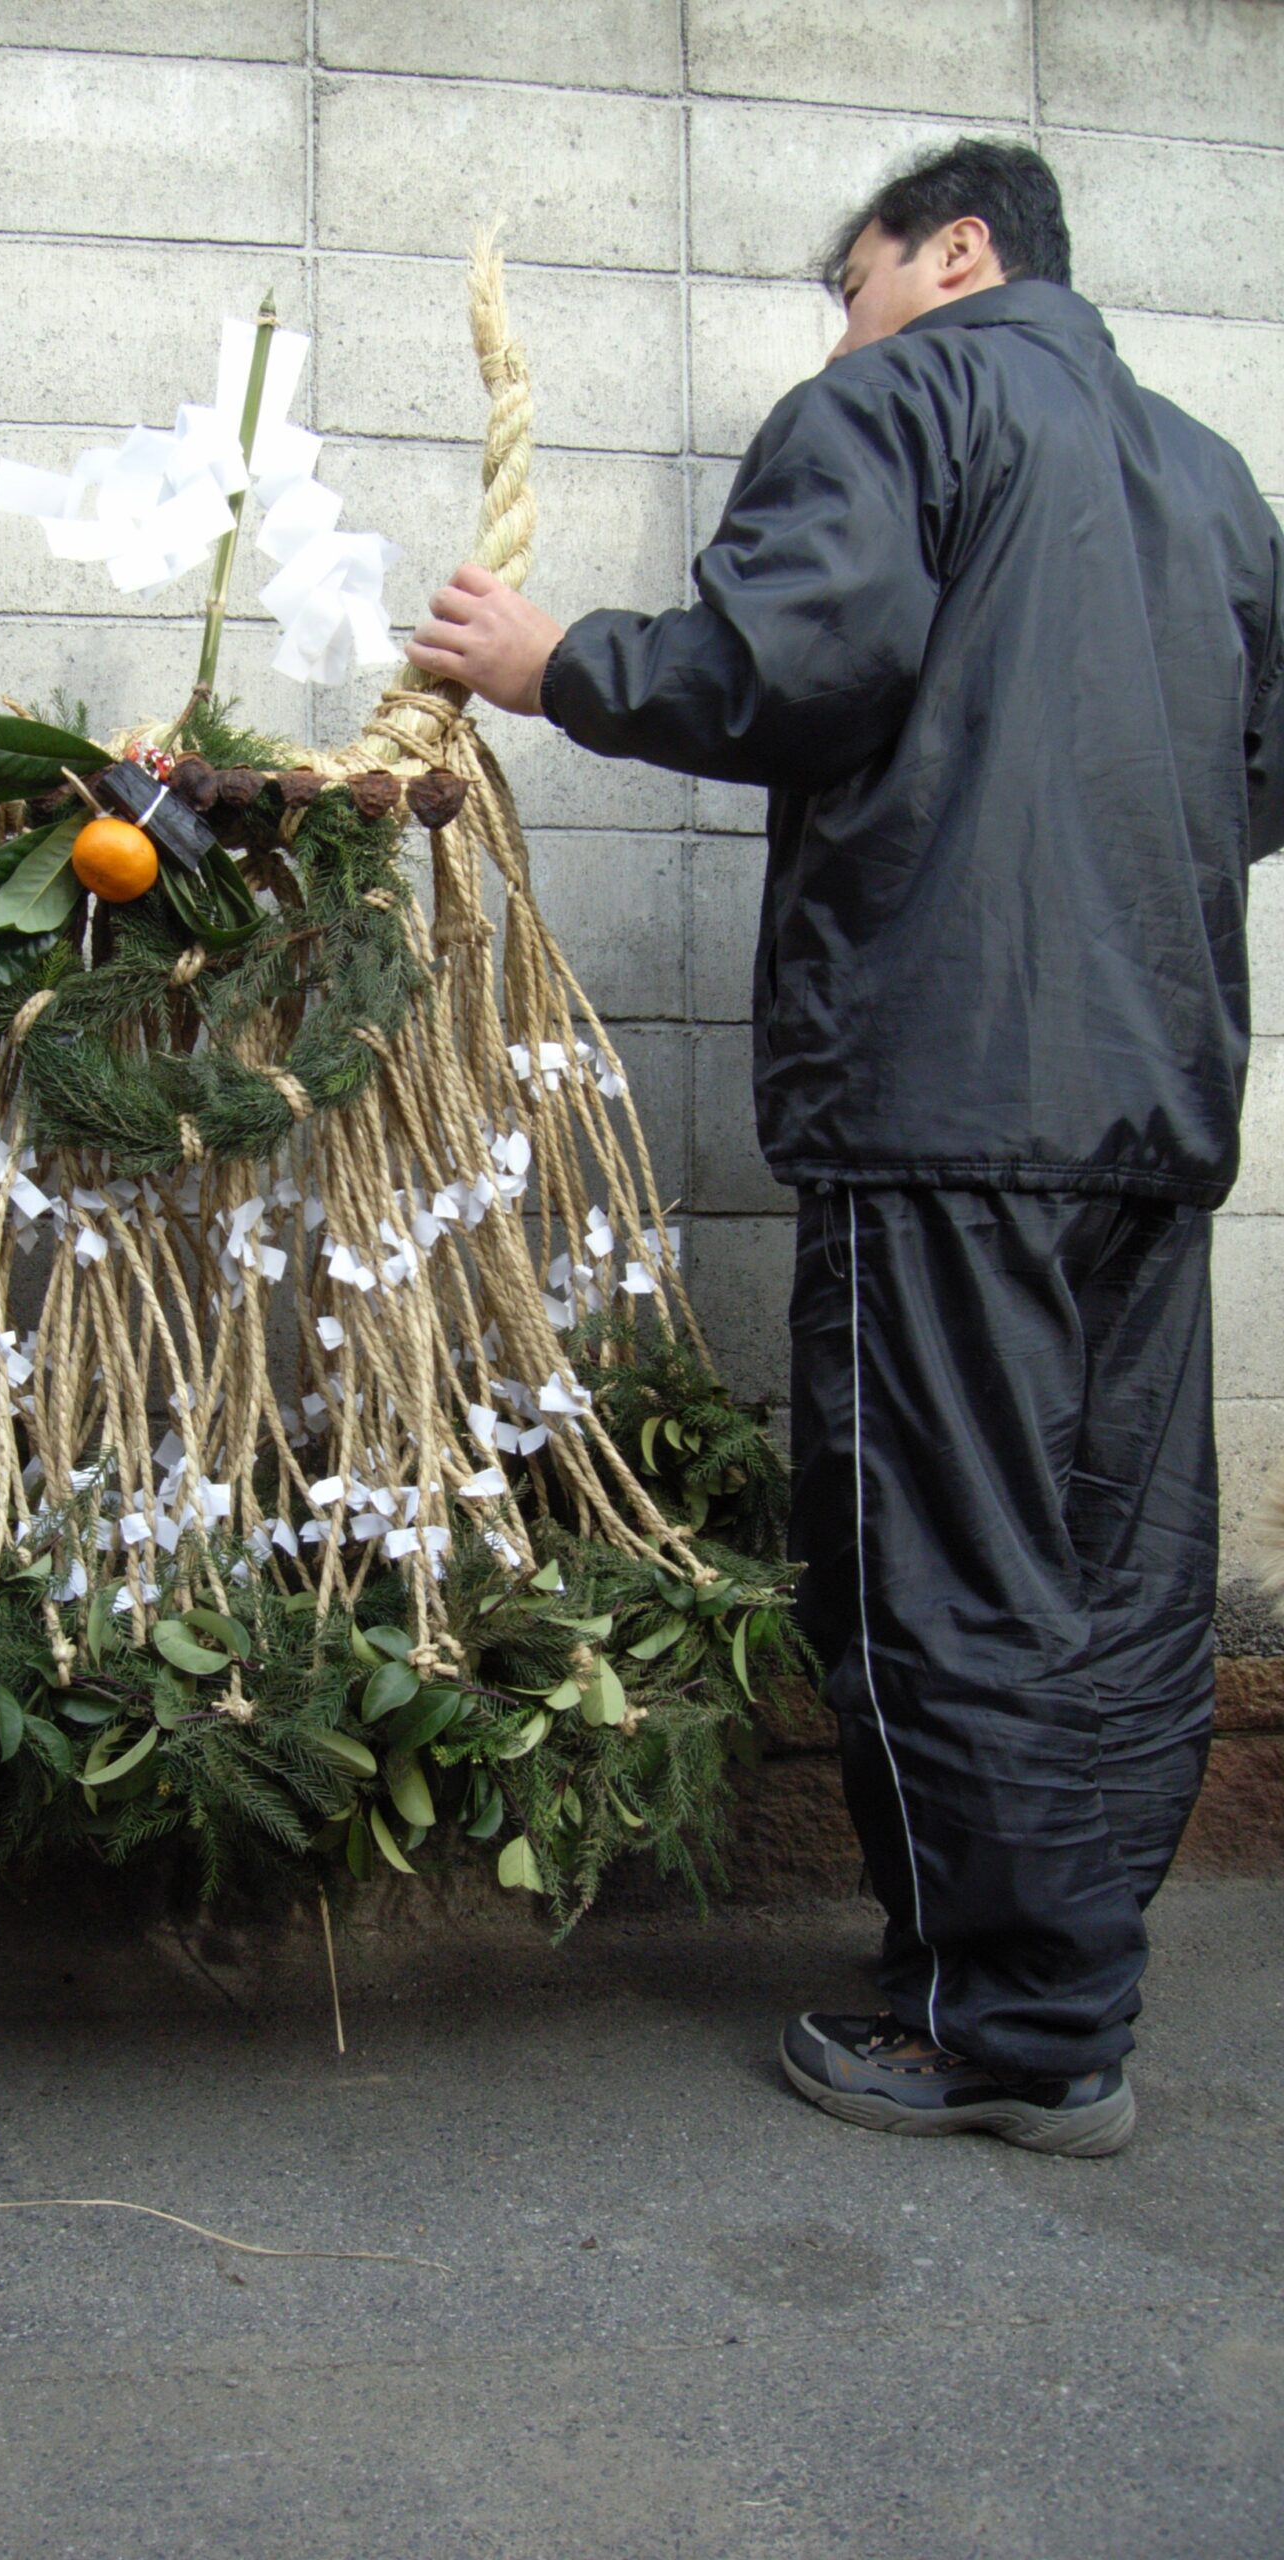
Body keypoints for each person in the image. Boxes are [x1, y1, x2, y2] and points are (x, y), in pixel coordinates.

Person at [408, 138, 1284, 2158]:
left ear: (955, 249)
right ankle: (1059, 1989)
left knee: (941, 1559)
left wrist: (556, 662)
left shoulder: (905, 401)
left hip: (948, 1091)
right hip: (1153, 1096)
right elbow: (1257, 764)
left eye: (854, 276)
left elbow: (785, 664)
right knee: (1112, 1563)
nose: (842, 322)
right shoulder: (1213, 477)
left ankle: (1012, 2034)